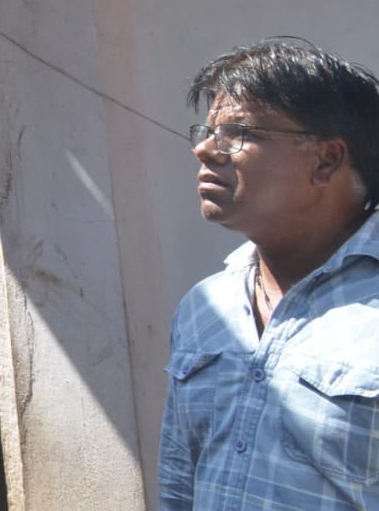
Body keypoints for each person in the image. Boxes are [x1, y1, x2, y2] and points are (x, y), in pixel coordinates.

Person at [160, 38, 379, 509]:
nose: (205, 150)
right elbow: (180, 476)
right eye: (207, 130)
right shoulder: (204, 307)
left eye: (238, 133)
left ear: (326, 160)